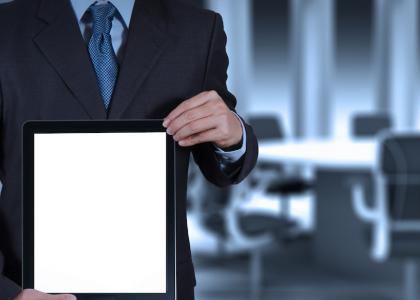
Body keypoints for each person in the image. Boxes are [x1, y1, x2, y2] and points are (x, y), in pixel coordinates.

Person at [0, 0, 258, 299]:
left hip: (159, 286)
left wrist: (233, 135)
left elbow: (219, 162)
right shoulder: (6, 28)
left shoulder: (198, 30)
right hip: (28, 286)